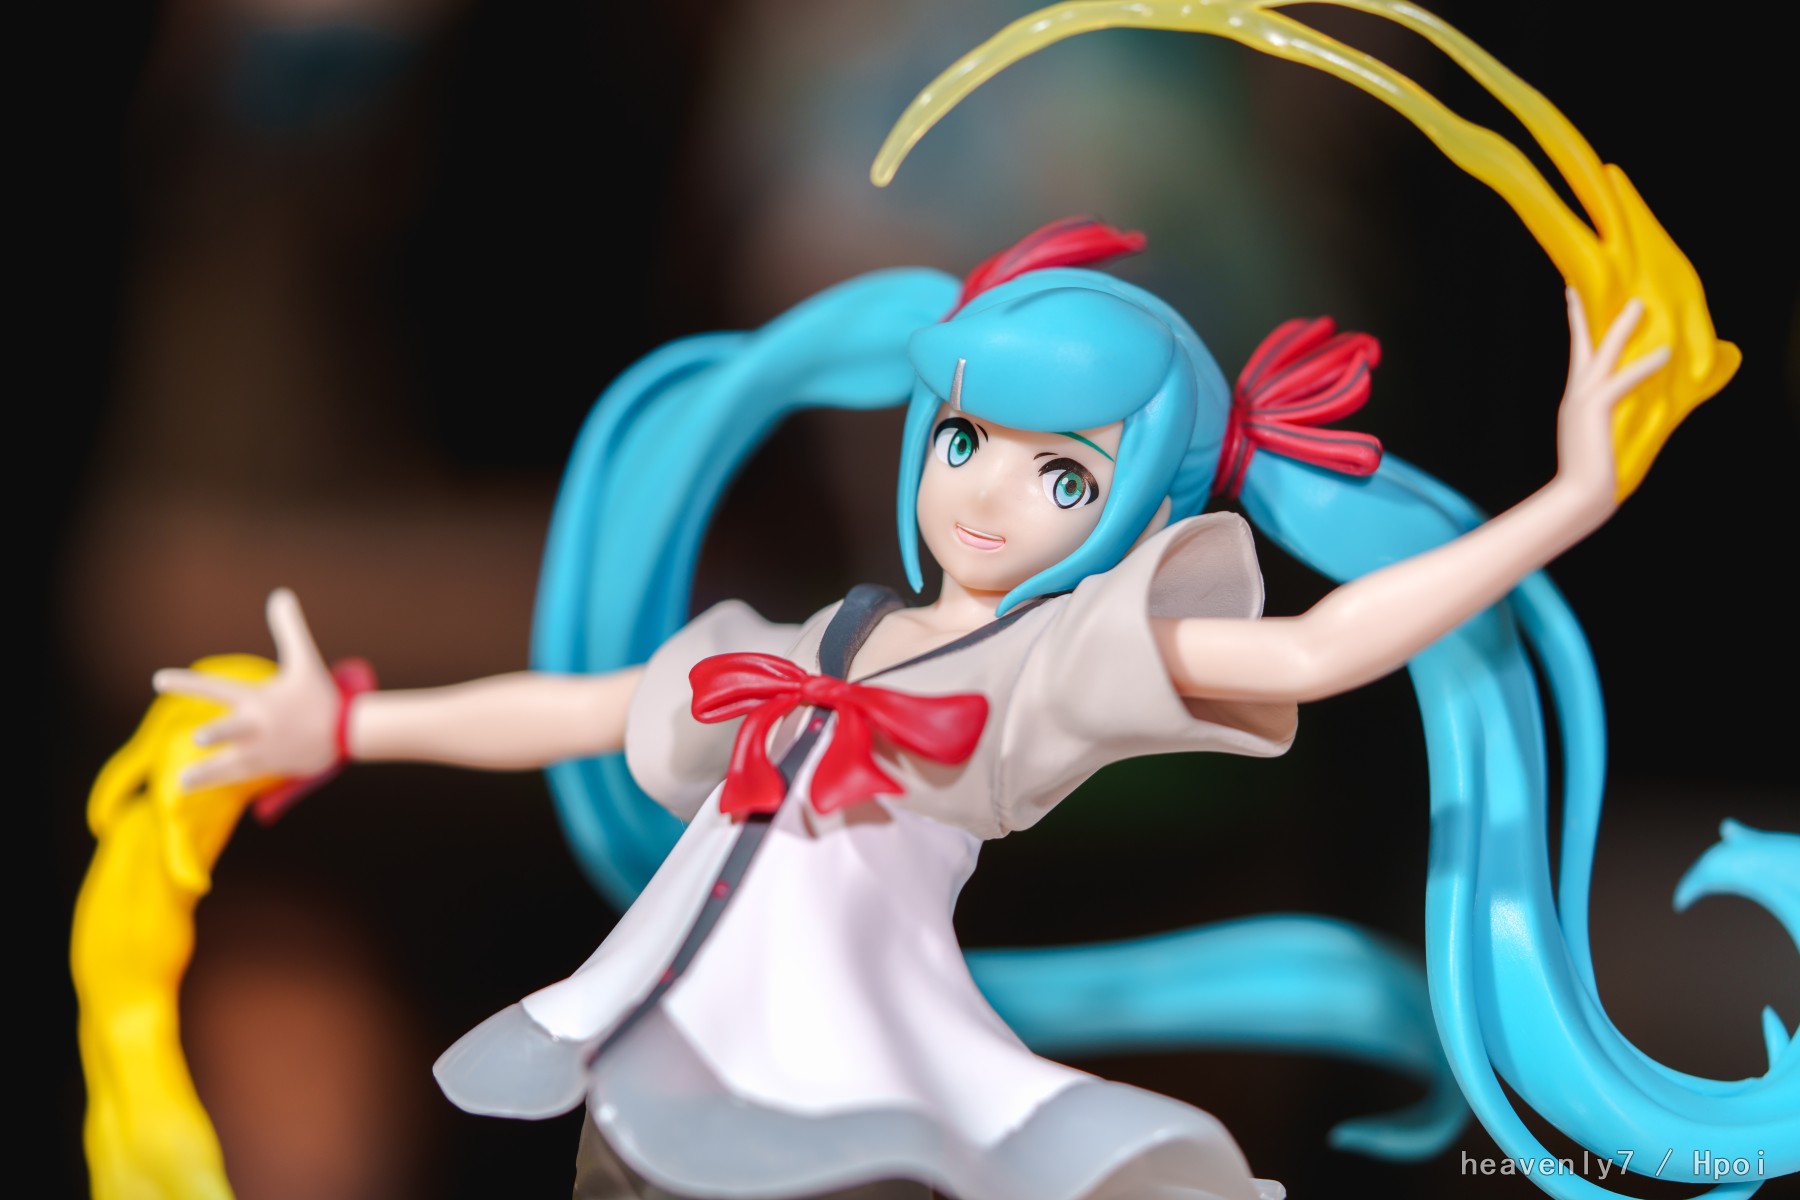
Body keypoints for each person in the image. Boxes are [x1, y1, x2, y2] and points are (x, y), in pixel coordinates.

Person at [153, 219, 1676, 1200]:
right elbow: (580, 706)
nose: (991, 495)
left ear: (1135, 511)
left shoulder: (1050, 668)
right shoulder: (814, 641)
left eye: (1062, 473)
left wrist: (1569, 499)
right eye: (966, 440)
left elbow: (1321, 648)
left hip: (845, 1110)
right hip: (646, 1072)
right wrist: (345, 725)